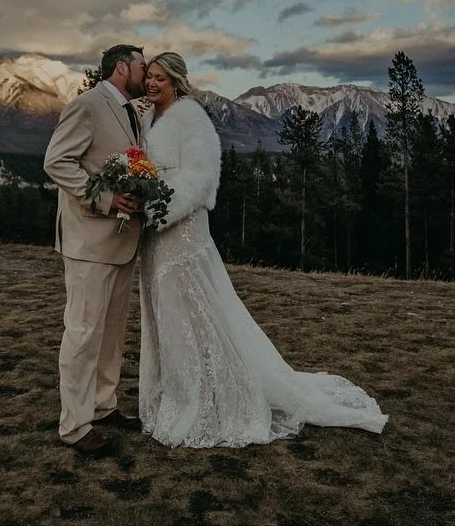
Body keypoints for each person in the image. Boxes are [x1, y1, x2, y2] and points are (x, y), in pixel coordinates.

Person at [137, 52, 389, 448]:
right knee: (166, 313)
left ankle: (210, 397)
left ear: (176, 82)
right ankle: (176, 392)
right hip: (154, 234)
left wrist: (160, 210)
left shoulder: (190, 118)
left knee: (195, 310)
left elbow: (201, 178)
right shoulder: (148, 118)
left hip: (181, 229)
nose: (152, 83)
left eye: (160, 79)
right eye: (148, 76)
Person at [43, 43, 152, 455]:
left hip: (123, 242)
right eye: (143, 66)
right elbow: (57, 162)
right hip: (90, 240)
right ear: (122, 68)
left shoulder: (132, 111)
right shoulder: (87, 105)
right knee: (84, 333)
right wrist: (106, 199)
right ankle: (74, 426)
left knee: (111, 332)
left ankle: (104, 406)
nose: (147, 72)